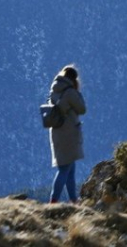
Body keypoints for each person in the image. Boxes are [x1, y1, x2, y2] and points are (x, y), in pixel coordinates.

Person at [48, 65, 87, 204]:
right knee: (65, 169)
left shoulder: (55, 90)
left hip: (57, 132)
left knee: (70, 169)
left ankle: (73, 200)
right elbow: (82, 109)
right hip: (69, 134)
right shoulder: (70, 92)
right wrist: (78, 93)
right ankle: (53, 201)